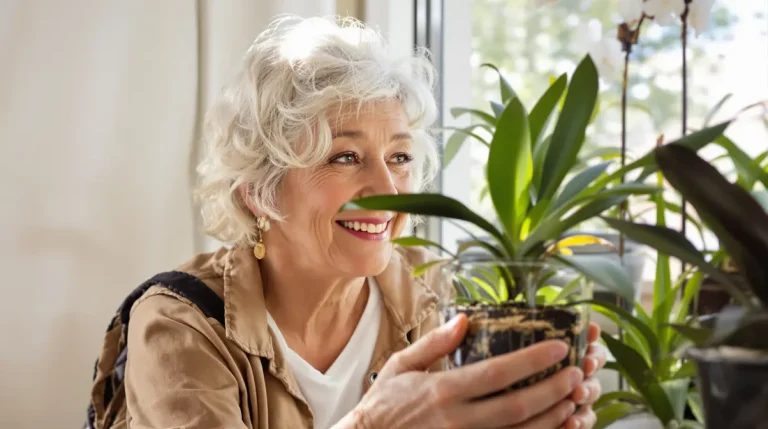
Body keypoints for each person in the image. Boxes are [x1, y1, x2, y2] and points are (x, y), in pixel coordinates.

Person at [123, 16, 606, 429]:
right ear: (258, 192)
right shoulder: (180, 324)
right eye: (345, 156)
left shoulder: (432, 294)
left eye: (399, 156)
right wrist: (373, 423)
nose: (389, 191)